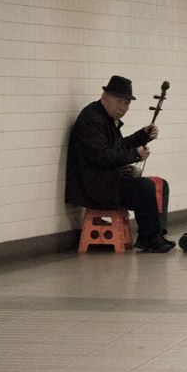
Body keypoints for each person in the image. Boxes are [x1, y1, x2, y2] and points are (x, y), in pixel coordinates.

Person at [66, 75, 174, 253]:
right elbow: (102, 155)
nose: (122, 107)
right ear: (104, 97)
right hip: (95, 187)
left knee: (161, 183)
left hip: (108, 181)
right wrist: (135, 155)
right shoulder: (91, 119)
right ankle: (148, 240)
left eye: (126, 103)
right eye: (119, 101)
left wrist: (142, 135)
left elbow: (118, 147)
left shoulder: (104, 118)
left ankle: (157, 235)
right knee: (145, 187)